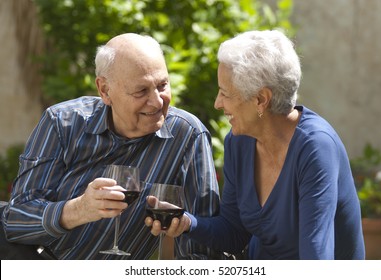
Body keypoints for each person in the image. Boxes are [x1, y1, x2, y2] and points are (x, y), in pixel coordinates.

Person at [146, 30, 366, 260]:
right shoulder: (239, 141)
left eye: (225, 93)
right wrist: (186, 223)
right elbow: (233, 233)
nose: (217, 103)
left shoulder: (316, 147)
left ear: (261, 99)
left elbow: (316, 253)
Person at [1, 33, 223, 260]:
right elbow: (15, 220)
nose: (157, 101)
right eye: (141, 91)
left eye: (162, 85)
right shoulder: (62, 122)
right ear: (105, 90)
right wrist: (79, 210)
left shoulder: (188, 135)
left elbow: (203, 245)